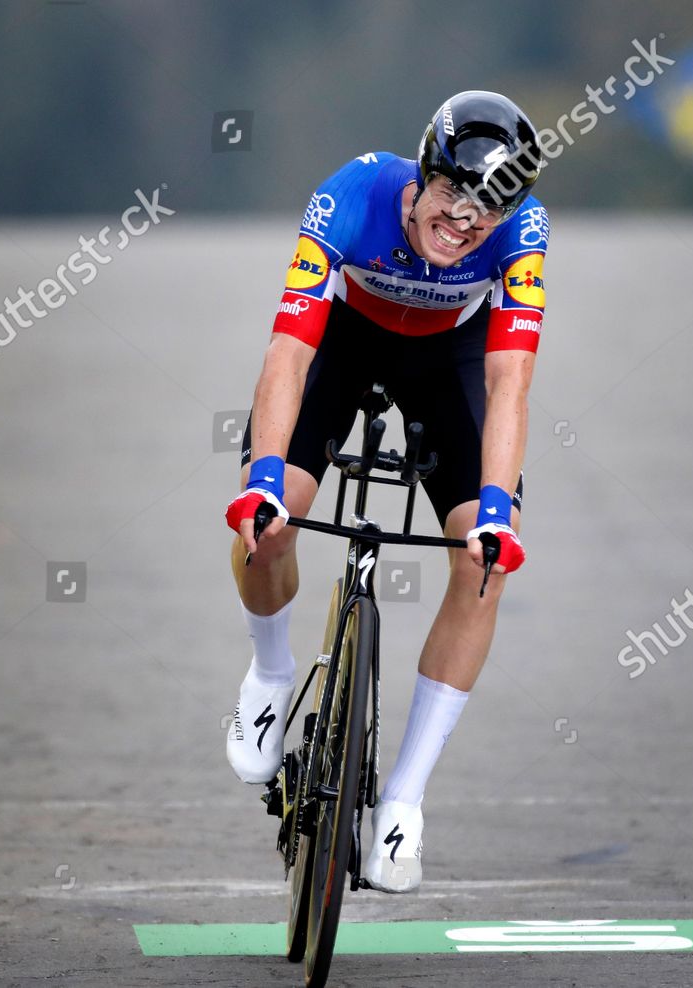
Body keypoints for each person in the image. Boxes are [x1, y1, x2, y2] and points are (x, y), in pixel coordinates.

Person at [223, 91, 550, 893]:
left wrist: (498, 513)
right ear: (422, 176)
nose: (466, 220)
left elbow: (509, 379)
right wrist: (265, 480)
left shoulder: (526, 230)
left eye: (488, 208)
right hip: (345, 340)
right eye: (452, 195)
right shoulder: (353, 192)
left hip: (450, 361)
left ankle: (404, 799)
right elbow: (290, 352)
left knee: (486, 562)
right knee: (269, 522)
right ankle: (270, 675)